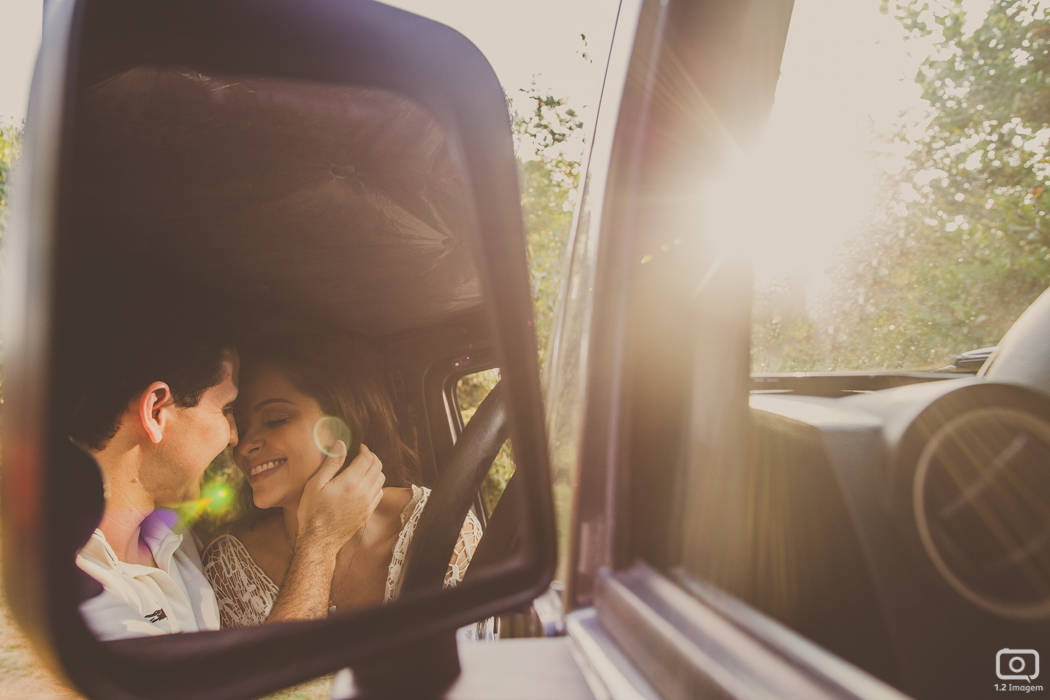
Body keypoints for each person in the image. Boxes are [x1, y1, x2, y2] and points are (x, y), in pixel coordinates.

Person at [71, 309, 383, 640]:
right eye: (227, 410)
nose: (236, 439)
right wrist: (319, 544)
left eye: (275, 419)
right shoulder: (75, 587)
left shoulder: (176, 540)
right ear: (156, 411)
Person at [201, 331, 482, 627]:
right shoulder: (229, 566)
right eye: (242, 427)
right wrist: (318, 544)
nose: (244, 445)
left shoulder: (443, 528)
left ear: (341, 423)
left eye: (275, 419)